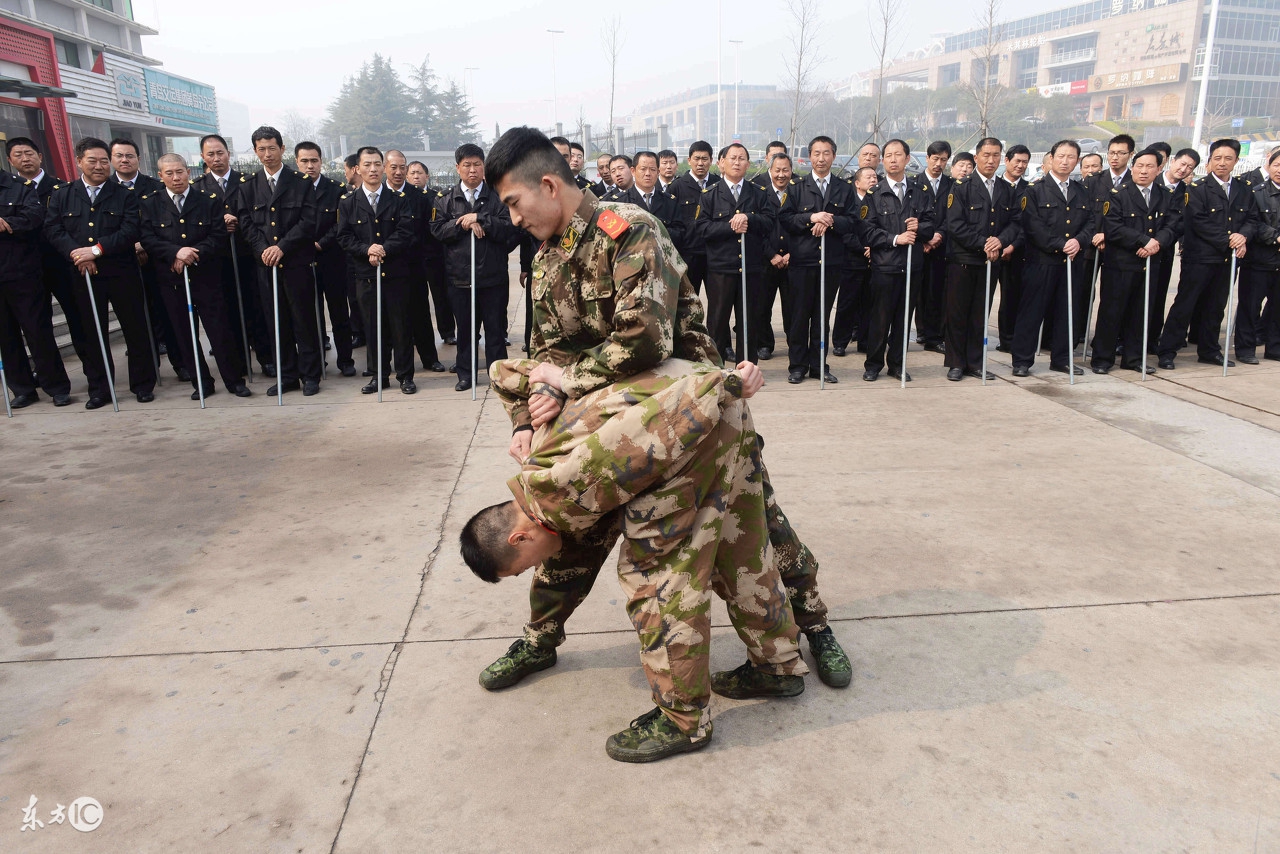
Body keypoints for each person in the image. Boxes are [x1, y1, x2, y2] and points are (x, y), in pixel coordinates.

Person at [477, 126, 850, 693]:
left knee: (759, 530)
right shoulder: (548, 261)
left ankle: (814, 623)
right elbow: (547, 353)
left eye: (512, 202)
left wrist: (565, 379)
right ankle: (540, 638)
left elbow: (643, 340)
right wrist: (530, 419)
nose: (513, 218)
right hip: (611, 430)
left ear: (547, 185)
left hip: (693, 426)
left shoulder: (630, 231)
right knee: (563, 536)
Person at [470, 357, 808, 762]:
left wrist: (720, 387)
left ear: (520, 536)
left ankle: (684, 720)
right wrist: (525, 419)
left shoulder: (563, 486)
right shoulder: (538, 455)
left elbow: (645, 430)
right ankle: (778, 667)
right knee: (742, 546)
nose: (537, 569)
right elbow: (504, 370)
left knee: (656, 579)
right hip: (714, 411)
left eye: (523, 565)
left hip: (692, 415)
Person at [45, 137, 156, 408]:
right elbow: (53, 229)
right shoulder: (63, 194)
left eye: (104, 161)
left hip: (121, 272)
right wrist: (77, 254)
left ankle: (142, 384)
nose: (99, 166)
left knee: (135, 328)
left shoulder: (124, 195)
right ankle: (100, 389)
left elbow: (130, 231)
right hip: (82, 274)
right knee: (91, 332)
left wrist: (95, 251)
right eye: (92, 161)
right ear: (79, 161)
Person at [138, 153, 251, 399]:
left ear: (188, 172)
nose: (176, 177)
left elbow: (218, 235)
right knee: (184, 333)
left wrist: (191, 254)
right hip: (172, 279)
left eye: (180, 171)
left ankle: (234, 380)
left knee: (220, 331)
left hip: (206, 277)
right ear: (160, 176)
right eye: (169, 173)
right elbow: (148, 238)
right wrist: (175, 252)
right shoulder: (150, 203)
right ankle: (202, 383)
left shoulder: (207, 200)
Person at [233, 125, 322, 396]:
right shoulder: (248, 187)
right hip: (266, 265)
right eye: (261, 149)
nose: (267, 154)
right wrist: (263, 249)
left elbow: (308, 221)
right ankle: (287, 376)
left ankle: (310, 376)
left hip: (295, 263)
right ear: (256, 151)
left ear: (282, 149)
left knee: (303, 321)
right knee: (276, 321)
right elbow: (246, 223)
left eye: (272, 148)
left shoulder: (301, 182)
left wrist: (282, 247)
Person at [1157, 138, 1259, 369]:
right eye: (1217, 158)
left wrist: (1243, 236)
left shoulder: (1243, 189)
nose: (1222, 163)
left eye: (1228, 159)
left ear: (1236, 161)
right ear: (1210, 160)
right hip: (1200, 258)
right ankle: (1167, 350)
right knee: (1185, 304)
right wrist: (1230, 240)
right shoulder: (1197, 189)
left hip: (1226, 260)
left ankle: (1209, 349)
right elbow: (1199, 222)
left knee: (1216, 307)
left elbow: (1252, 219)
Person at [430, 143, 521, 392]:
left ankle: (498, 376)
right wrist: (463, 224)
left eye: (477, 165)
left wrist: (482, 219)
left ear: (484, 167)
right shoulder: (445, 199)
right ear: (458, 168)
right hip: (460, 278)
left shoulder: (498, 196)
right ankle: (466, 374)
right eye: (467, 165)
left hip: (492, 277)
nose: (472, 170)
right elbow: (437, 229)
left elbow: (510, 227)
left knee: (494, 331)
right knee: (467, 331)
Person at [337, 146, 419, 394]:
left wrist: (382, 249)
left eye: (376, 164)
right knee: (372, 328)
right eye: (367, 164)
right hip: (366, 277)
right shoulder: (349, 203)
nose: (372, 169)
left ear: (383, 168)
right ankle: (378, 375)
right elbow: (344, 237)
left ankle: (405, 376)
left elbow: (406, 232)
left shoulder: (397, 201)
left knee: (400, 326)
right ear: (357, 169)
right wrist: (367, 250)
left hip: (395, 274)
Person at [1092, 148, 1181, 374]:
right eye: (1139, 166)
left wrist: (1156, 243)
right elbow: (1112, 227)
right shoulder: (1118, 194)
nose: (1143, 171)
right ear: (1132, 167)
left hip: (1150, 264)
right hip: (1121, 264)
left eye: (1149, 166)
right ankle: (1103, 358)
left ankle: (1133, 358)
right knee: (1111, 312)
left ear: (1159, 169)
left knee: (1141, 313)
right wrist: (1143, 241)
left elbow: (1174, 225)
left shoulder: (1165, 195)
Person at [192, 133, 274, 377]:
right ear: (203, 157)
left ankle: (266, 357)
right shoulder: (198, 188)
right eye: (210, 154)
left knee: (256, 308)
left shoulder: (247, 182)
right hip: (216, 259)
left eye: (220, 153)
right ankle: (239, 362)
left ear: (229, 154)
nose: (216, 158)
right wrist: (219, 222)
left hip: (247, 254)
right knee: (227, 312)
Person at [1011, 140, 1093, 377]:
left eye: (1071, 157)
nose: (1065, 161)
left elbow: (1091, 222)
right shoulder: (1034, 191)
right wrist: (1060, 244)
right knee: (1032, 311)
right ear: (1051, 159)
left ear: (1077, 161)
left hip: (1072, 261)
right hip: (1042, 261)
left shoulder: (1081, 191)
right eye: (1061, 156)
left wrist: (1079, 241)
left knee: (1067, 311)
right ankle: (1022, 360)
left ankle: (1062, 359)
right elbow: (1033, 226)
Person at [858, 139, 935, 383]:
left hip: (912, 267)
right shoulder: (874, 193)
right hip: (885, 266)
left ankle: (897, 364)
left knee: (904, 319)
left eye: (897, 155)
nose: (892, 159)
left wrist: (920, 227)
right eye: (888, 155)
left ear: (907, 159)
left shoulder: (919, 191)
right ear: (882, 161)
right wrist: (895, 238)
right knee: (880, 318)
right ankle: (873, 364)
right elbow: (866, 230)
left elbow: (932, 226)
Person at [943, 137, 1020, 381]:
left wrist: (999, 241)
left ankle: (975, 362)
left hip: (991, 261)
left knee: (979, 314)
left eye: (996, 155)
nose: (991, 160)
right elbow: (955, 225)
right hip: (964, 260)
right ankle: (956, 363)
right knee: (957, 313)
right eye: (986, 155)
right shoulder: (961, 187)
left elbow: (1015, 222)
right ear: (976, 158)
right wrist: (983, 243)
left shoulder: (1007, 190)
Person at [783, 135, 856, 384]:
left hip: (831, 262)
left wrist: (830, 220)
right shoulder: (796, 187)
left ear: (834, 156)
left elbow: (853, 222)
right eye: (816, 153)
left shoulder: (844, 189)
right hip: (802, 262)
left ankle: (819, 365)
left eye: (826, 153)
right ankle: (797, 365)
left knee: (822, 316)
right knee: (799, 316)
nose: (821, 158)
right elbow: (786, 220)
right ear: (809, 156)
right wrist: (811, 218)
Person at [696, 143, 775, 364]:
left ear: (748, 165)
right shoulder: (710, 195)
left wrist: (749, 218)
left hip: (750, 268)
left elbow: (770, 222)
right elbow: (702, 228)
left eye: (742, 158)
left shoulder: (758, 193)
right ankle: (716, 368)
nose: (737, 162)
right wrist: (730, 227)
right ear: (721, 163)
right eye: (732, 158)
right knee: (717, 321)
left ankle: (746, 368)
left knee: (749, 321)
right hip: (721, 269)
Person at [0, 166, 72, 408]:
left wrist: (7, 223)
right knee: (6, 337)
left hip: (21, 273)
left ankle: (56, 386)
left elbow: (34, 217)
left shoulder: (19, 187)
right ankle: (22, 389)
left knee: (37, 332)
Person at [112, 137, 181, 379]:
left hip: (157, 262)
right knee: (136, 319)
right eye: (119, 156)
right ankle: (147, 371)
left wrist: (144, 243)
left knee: (167, 314)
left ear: (138, 159)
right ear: (112, 159)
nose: (124, 160)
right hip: (121, 264)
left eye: (129, 155)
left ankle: (180, 364)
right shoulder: (108, 188)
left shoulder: (156, 186)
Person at [296, 141, 357, 377]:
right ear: (297, 162)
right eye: (304, 161)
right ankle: (317, 359)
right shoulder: (291, 189)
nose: (310, 166)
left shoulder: (336, 190)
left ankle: (345, 359)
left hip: (331, 259)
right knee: (310, 314)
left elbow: (341, 224)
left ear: (321, 162)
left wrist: (320, 243)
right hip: (300, 261)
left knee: (339, 312)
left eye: (314, 161)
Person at [385, 149, 446, 375]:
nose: (399, 172)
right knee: (390, 318)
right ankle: (384, 365)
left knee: (420, 313)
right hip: (387, 266)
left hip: (414, 265)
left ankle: (429, 358)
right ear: (385, 168)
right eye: (394, 167)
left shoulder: (419, 197)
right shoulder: (379, 195)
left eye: (403, 167)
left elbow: (427, 232)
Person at [1149, 148, 1200, 347]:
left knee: (1159, 294)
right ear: (1172, 161)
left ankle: (1152, 337)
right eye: (1182, 163)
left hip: (1164, 250)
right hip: (1138, 248)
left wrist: (1161, 241)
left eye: (1189, 167)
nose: (1183, 169)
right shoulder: (1152, 180)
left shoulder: (1187, 192)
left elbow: (1180, 224)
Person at [1237, 147, 1280, 363]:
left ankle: (1274, 348)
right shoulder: (1255, 192)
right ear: (1269, 166)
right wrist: (1275, 237)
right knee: (1250, 306)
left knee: (1277, 309)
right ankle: (1245, 349)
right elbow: (1252, 222)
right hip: (1258, 260)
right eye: (1277, 165)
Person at [407, 162, 456, 347]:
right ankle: (415, 333)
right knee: (416, 300)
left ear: (427, 176)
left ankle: (448, 332)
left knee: (442, 296)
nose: (416, 176)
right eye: (412, 173)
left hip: (435, 255)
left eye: (419, 173)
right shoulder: (404, 198)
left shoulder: (436, 197)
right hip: (414, 257)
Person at [915, 140, 954, 354]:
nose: (939, 164)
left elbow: (953, 215)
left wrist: (939, 235)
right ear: (927, 158)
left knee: (936, 292)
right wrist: (924, 237)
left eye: (944, 160)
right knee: (915, 292)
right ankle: (917, 330)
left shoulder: (952, 185)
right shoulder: (914, 183)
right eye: (935, 159)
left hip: (941, 247)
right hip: (918, 245)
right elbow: (912, 215)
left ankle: (933, 335)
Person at [833, 166, 875, 355]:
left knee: (869, 303)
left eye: (875, 176)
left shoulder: (879, 200)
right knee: (847, 303)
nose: (873, 180)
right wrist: (862, 248)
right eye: (868, 177)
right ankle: (840, 341)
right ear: (857, 183)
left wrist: (873, 247)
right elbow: (845, 231)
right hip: (851, 260)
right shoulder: (850, 201)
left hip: (874, 259)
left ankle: (865, 341)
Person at [758, 152, 795, 361]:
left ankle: (794, 343)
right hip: (766, 261)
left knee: (793, 307)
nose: (781, 175)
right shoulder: (760, 194)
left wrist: (792, 253)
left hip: (793, 261)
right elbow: (757, 231)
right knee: (762, 306)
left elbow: (802, 228)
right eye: (777, 170)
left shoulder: (798, 193)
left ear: (791, 171)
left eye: (785, 170)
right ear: (770, 171)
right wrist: (771, 254)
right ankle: (764, 344)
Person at [670, 141, 719, 294]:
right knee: (688, 300)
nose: (700, 163)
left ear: (711, 160)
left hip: (714, 253)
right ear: (689, 160)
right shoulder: (677, 186)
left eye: (704, 159)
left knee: (718, 300)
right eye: (696, 158)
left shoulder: (718, 184)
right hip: (688, 254)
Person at [996, 145, 1032, 353]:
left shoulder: (1030, 189)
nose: (1020, 165)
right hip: (990, 250)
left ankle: (1008, 340)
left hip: (1016, 253)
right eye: (1017, 161)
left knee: (1012, 298)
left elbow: (1027, 223)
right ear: (1007, 161)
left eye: (1024, 162)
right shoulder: (996, 186)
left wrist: (1012, 245)